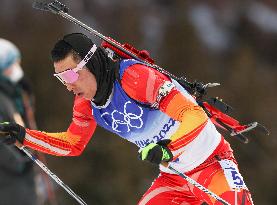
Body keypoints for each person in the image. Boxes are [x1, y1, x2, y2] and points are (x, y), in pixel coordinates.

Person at [0, 33, 254, 204]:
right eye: (60, 79)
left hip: (211, 163)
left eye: (69, 76)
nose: (67, 86)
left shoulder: (135, 78)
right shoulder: (86, 103)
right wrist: (24, 136)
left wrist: (168, 148)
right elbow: (72, 144)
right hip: (174, 178)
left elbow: (193, 114)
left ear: (90, 64)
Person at [0, 38, 56, 205]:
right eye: (12, 66)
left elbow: (25, 118)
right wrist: (23, 162)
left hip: (23, 183)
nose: (17, 70)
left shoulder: (12, 95)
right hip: (10, 185)